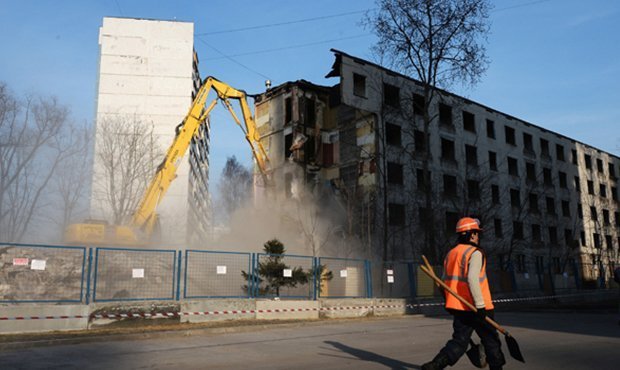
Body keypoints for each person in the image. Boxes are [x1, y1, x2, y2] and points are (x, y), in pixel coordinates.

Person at [422, 217, 506, 370]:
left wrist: (448, 301)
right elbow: (472, 279)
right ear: (471, 234)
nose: (478, 237)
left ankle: (435, 365)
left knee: (459, 341)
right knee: (490, 340)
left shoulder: (451, 254)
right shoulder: (475, 253)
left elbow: (443, 282)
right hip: (479, 307)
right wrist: (480, 306)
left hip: (460, 308)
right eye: (477, 233)